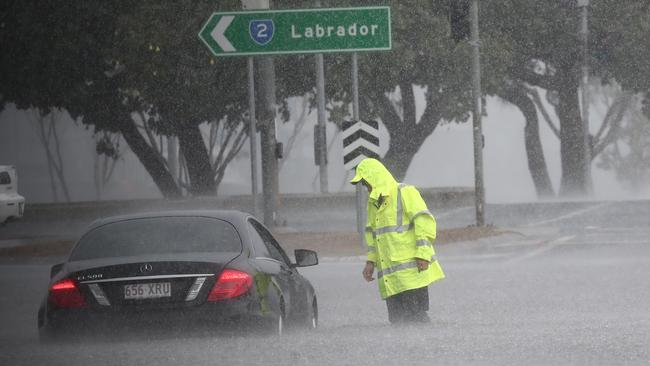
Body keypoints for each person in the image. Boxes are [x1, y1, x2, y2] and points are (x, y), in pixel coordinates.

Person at [350, 158, 445, 324]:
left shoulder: (405, 192)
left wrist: (423, 254)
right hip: (391, 280)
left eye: (366, 183)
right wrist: (371, 262)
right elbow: (373, 235)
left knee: (417, 320)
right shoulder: (373, 203)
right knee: (398, 323)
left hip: (412, 275)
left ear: (375, 178)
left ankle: (424, 348)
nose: (366, 188)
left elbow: (424, 222)